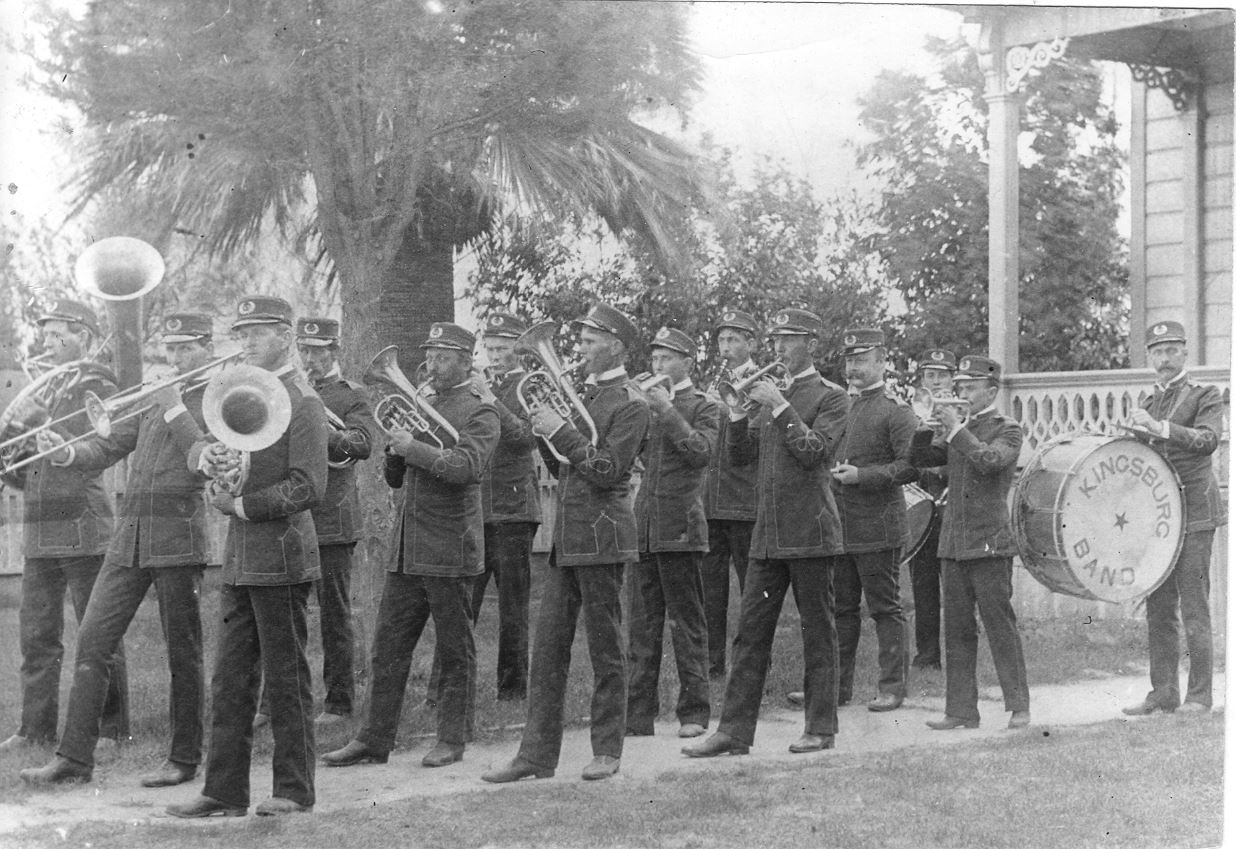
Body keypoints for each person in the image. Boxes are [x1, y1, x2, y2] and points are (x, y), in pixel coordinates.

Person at [19, 314, 216, 787]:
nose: (175, 358)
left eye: (186, 348)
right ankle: (74, 759)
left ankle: (184, 758)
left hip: (177, 538)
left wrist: (173, 407)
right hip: (129, 540)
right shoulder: (153, 401)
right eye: (170, 349)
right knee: (93, 638)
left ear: (208, 348)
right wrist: (67, 452)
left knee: (183, 652)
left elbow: (205, 460)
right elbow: (108, 447)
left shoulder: (216, 398)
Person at [166, 295, 328, 817]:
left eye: (257, 332)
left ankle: (295, 791)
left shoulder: (303, 400)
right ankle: (224, 791)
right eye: (242, 334)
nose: (247, 343)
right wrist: (217, 465)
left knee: (286, 678)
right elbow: (239, 457)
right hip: (241, 557)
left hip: (281, 556)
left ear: (286, 335)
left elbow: (308, 488)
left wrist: (239, 503)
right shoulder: (245, 391)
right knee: (230, 679)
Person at [482, 301, 650, 783]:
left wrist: (562, 431)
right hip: (568, 540)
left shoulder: (631, 404)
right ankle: (536, 756)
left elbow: (607, 471)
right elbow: (565, 468)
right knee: (549, 651)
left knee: (606, 649)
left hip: (603, 538)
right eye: (578, 340)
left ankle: (607, 750)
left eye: (589, 341)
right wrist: (545, 434)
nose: (578, 348)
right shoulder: (584, 396)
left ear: (614, 346)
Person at [323, 322, 499, 769]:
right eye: (430, 355)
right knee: (388, 648)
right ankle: (373, 739)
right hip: (409, 548)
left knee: (454, 649)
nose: (431, 365)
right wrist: (395, 454)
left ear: (465, 361)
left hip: (450, 546)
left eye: (442, 358)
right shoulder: (425, 402)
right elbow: (396, 479)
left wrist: (413, 446)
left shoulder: (481, 412)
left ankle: (452, 740)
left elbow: (466, 467)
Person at [682, 308, 848, 758]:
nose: (777, 349)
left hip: (811, 532)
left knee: (818, 632)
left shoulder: (831, 397)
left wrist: (778, 405)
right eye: (774, 340)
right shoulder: (769, 394)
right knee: (749, 634)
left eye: (788, 340)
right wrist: (737, 416)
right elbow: (741, 458)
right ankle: (734, 732)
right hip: (768, 534)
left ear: (811, 345)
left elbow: (814, 452)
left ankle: (820, 727)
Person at [0, 298, 128, 754]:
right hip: (40, 528)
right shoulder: (44, 387)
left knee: (97, 630)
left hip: (81, 525)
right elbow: (21, 466)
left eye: (60, 335)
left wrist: (38, 421)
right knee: (37, 635)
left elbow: (100, 443)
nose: (50, 343)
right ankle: (34, 728)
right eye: (47, 335)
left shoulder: (97, 383)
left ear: (85, 338)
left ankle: (112, 728)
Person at [913, 355, 1030, 731]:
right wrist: (921, 423)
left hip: (989, 543)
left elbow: (990, 461)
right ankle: (961, 710)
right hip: (953, 543)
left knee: (1000, 627)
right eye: (960, 386)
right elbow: (920, 461)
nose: (961, 393)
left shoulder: (1006, 428)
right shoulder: (956, 429)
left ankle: (1019, 707)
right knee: (957, 630)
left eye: (969, 387)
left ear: (991, 391)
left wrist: (955, 430)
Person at [1122, 320, 1225, 716]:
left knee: (1195, 606)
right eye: (1157, 352)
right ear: (1149, 357)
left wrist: (1160, 428)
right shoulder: (1148, 403)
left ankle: (1199, 696)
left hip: (1196, 514)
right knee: (1159, 607)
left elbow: (1207, 441)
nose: (1163, 359)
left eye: (1170, 350)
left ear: (1184, 352)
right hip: (1158, 519)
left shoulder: (1206, 395)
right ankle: (1162, 693)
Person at [626, 326, 719, 739]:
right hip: (645, 526)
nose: (657, 365)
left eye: (666, 358)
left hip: (682, 527)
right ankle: (638, 715)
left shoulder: (703, 406)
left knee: (687, 625)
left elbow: (701, 453)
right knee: (642, 627)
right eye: (655, 358)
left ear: (687, 362)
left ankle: (695, 712)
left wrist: (665, 409)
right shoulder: (644, 404)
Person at [291, 317, 374, 726]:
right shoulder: (288, 391)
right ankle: (283, 702)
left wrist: (318, 428)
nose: (309, 358)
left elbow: (361, 444)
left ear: (334, 351)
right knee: (286, 614)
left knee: (334, 613)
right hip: (293, 515)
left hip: (333, 518)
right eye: (304, 350)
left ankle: (339, 703)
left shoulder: (351, 394)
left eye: (317, 351)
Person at [830, 328, 916, 712]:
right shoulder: (838, 405)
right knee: (841, 609)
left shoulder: (895, 410)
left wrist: (863, 476)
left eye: (862, 360)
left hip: (879, 525)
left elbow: (911, 466)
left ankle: (892, 688)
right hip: (840, 524)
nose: (854, 367)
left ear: (882, 361)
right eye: (849, 360)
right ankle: (836, 687)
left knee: (884, 608)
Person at [472, 312, 542, 701]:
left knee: (513, 606)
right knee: (465, 602)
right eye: (490, 348)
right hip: (477, 507)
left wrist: (490, 399)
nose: (494, 356)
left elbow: (524, 438)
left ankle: (512, 690)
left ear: (518, 350)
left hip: (514, 510)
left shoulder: (529, 386)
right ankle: (445, 688)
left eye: (502, 349)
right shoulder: (480, 385)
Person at [700, 310, 760, 681]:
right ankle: (711, 663)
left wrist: (726, 410)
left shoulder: (763, 383)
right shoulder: (715, 381)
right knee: (710, 590)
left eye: (734, 340)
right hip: (712, 502)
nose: (726, 347)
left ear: (751, 344)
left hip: (745, 501)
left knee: (753, 592)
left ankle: (753, 661)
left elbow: (752, 441)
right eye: (722, 340)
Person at [907, 348, 957, 670]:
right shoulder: (916, 412)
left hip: (952, 507)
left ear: (952, 379)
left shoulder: (962, 411)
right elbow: (909, 457)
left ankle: (956, 654)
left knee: (954, 590)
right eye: (929, 375)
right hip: (923, 506)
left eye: (941, 375)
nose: (935, 381)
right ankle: (927, 656)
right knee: (923, 586)